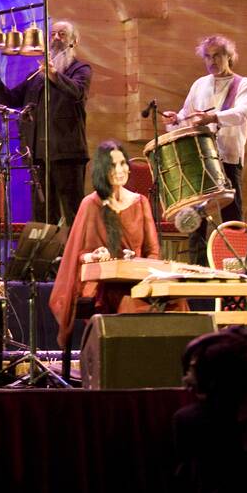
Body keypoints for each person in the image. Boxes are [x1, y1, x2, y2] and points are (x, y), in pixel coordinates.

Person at [49, 140, 164, 348]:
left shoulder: (141, 202)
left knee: (176, 303)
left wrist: (137, 262)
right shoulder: (91, 203)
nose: (120, 170)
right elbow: (78, 254)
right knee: (129, 304)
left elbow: (153, 252)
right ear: (103, 170)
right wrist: (92, 257)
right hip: (104, 283)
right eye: (113, 165)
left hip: (137, 280)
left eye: (123, 163)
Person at [0, 20, 91, 224]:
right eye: (53, 34)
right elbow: (10, 99)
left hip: (67, 154)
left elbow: (78, 92)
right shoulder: (36, 76)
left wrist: (55, 75)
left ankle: (76, 254)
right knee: (43, 214)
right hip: (38, 155)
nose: (56, 38)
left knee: (74, 212)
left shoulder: (80, 69)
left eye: (62, 34)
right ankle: (47, 255)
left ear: (75, 40)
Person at [162, 34, 247, 265]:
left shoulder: (243, 84)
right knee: (197, 216)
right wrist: (176, 118)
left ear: (229, 57)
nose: (212, 61)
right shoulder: (199, 84)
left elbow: (241, 114)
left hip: (228, 158)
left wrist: (212, 117)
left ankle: (235, 266)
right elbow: (187, 115)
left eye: (217, 56)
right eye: (207, 57)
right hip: (200, 158)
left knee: (231, 215)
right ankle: (198, 267)